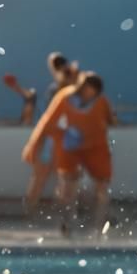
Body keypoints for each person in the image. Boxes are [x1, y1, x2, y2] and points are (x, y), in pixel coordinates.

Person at [23, 70, 115, 235]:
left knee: (102, 185)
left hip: (96, 146)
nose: (89, 95)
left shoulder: (101, 102)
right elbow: (47, 121)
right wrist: (34, 145)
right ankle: (67, 222)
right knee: (67, 185)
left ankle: (100, 224)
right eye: (87, 90)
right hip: (71, 145)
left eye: (93, 92)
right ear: (81, 87)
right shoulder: (65, 98)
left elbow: (111, 120)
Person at [22, 52, 79, 211]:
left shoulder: (62, 91)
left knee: (55, 177)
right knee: (53, 176)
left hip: (59, 138)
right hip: (57, 138)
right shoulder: (62, 90)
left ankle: (37, 210)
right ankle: (56, 211)